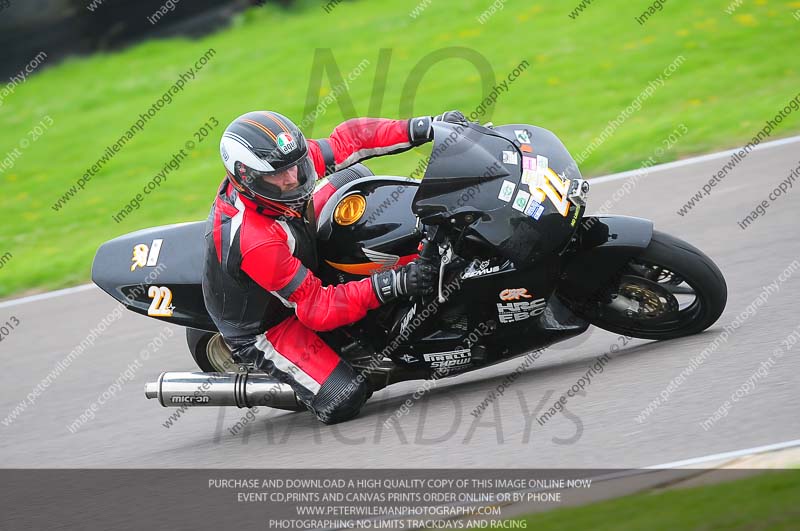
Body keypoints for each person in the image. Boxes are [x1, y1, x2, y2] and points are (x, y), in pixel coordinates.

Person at [202, 110, 467, 424]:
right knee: (345, 397)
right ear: (246, 177)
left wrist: (427, 126)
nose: (293, 179)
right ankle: (295, 380)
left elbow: (351, 140)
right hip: (270, 322)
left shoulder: (287, 170)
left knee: (356, 178)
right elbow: (316, 307)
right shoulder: (255, 239)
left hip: (296, 246)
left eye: (296, 166)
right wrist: (394, 283)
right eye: (279, 175)